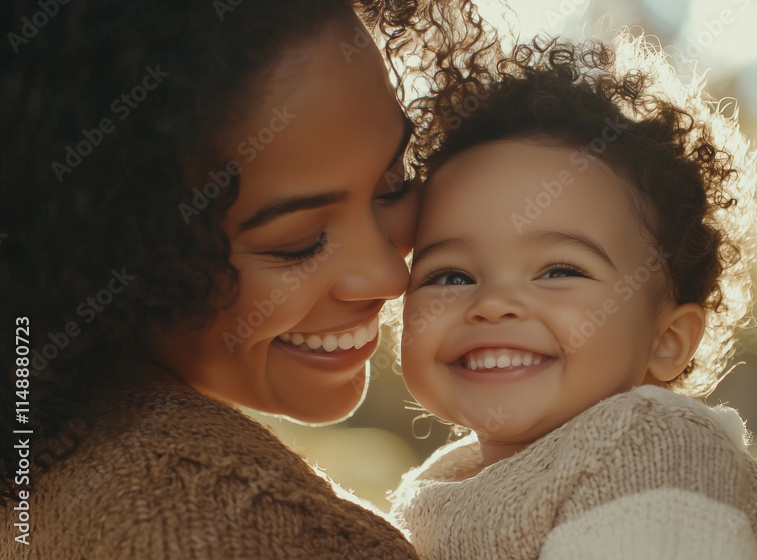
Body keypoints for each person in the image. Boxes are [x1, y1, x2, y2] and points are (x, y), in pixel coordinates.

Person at [0, 0, 498, 557]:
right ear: (114, 247)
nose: (388, 275)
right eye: (296, 243)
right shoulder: (213, 525)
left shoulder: (48, 459)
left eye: (393, 183)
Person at [388, 34, 757, 559]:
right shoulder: (445, 481)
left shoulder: (657, 451)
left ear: (666, 339)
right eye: (451, 277)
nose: (492, 303)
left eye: (558, 270)